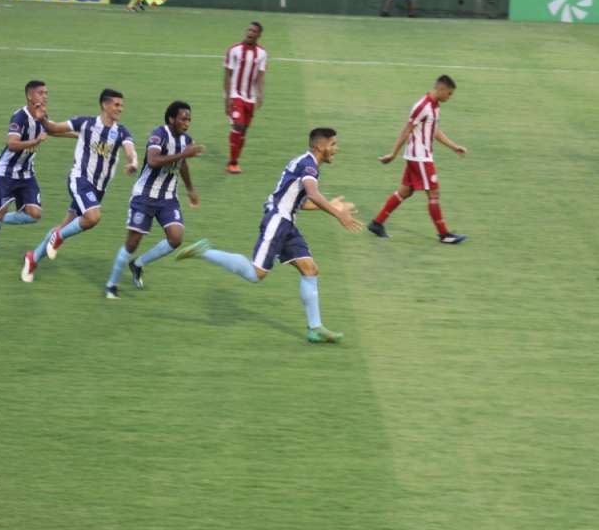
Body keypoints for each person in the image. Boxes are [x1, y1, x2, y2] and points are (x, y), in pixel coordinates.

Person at [174, 127, 362, 343]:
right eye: (333, 144)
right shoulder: (308, 165)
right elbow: (313, 193)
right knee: (256, 274)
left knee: (310, 269)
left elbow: (301, 201)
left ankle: (315, 328)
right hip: (278, 221)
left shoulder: (306, 163)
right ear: (320, 146)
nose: (335, 149)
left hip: (286, 222)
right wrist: (338, 214)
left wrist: (328, 206)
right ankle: (205, 252)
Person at [21, 89, 137, 282]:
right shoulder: (85, 123)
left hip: (98, 190)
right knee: (93, 217)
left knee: (67, 226)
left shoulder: (122, 132)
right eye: (116, 104)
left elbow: (130, 150)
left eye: (121, 105)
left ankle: (33, 258)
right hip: (80, 180)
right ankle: (57, 238)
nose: (120, 109)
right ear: (104, 105)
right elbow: (53, 128)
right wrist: (42, 120)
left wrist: (133, 162)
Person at [104, 100, 204, 298]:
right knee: (132, 243)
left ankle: (138, 264)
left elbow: (182, 164)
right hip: (145, 196)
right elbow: (153, 161)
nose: (187, 123)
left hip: (168, 198)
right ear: (171, 119)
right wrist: (183, 154)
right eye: (183, 119)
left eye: (189, 119)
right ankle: (111, 284)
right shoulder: (159, 134)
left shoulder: (186, 140)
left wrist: (190, 189)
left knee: (176, 238)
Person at [0, 81, 74, 268]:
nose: (45, 96)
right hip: (7, 173)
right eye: (41, 93)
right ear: (30, 96)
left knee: (34, 215)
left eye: (46, 93)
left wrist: (78, 135)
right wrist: (35, 140)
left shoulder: (42, 115)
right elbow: (12, 144)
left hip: (26, 173)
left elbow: (51, 131)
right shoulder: (19, 117)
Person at [368, 75, 468, 243]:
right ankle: (444, 235)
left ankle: (377, 223)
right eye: (449, 94)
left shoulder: (435, 107)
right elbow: (407, 130)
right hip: (419, 157)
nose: (449, 98)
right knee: (434, 193)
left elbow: (434, 131)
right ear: (441, 89)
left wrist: (454, 146)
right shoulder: (423, 106)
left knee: (406, 191)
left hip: (420, 156)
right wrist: (393, 153)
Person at [223, 21, 267, 174]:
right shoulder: (234, 50)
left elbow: (260, 77)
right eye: (249, 30)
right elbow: (227, 74)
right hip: (236, 95)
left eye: (254, 31)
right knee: (238, 125)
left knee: (244, 131)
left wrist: (260, 94)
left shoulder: (262, 53)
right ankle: (232, 162)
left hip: (250, 98)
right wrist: (227, 97)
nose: (250, 33)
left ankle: (235, 159)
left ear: (259, 34)